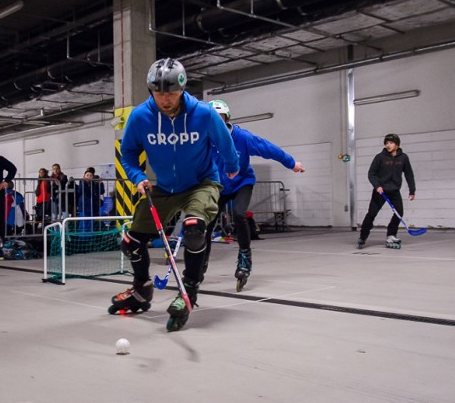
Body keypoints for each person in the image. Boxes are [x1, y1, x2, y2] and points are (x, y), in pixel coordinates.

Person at [108, 58, 239, 332]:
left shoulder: (203, 114)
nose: (165, 99)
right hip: (164, 187)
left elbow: (225, 144)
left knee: (193, 229)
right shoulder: (140, 117)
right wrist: (138, 177)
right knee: (131, 242)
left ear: (181, 89)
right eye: (159, 93)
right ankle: (141, 289)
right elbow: (129, 153)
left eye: (171, 93)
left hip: (201, 183)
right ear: (151, 91)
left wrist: (231, 168)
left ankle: (188, 290)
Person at [204, 100, 305, 291]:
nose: (217, 124)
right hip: (218, 186)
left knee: (240, 214)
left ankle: (244, 257)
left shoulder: (242, 137)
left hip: (242, 182)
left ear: (227, 119)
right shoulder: (205, 139)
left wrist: (291, 163)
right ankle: (201, 259)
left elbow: (268, 148)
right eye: (212, 120)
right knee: (207, 222)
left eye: (221, 119)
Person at [357, 133, 415, 250]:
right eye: (386, 143)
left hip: (394, 191)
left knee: (399, 213)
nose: (388, 145)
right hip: (380, 191)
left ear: (397, 145)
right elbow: (371, 173)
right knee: (371, 214)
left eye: (391, 143)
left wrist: (412, 190)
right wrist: (377, 186)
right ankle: (363, 237)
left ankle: (391, 235)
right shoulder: (379, 157)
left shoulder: (403, 158)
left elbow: (409, 174)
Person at [76, 167, 104, 231]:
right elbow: (81, 191)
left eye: (91, 175)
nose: (89, 177)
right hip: (84, 208)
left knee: (91, 226)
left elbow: (101, 191)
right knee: (83, 225)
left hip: (93, 208)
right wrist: (84, 182)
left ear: (93, 177)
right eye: (87, 175)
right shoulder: (82, 183)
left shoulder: (94, 184)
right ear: (84, 176)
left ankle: (90, 239)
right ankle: (82, 239)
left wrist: (100, 183)